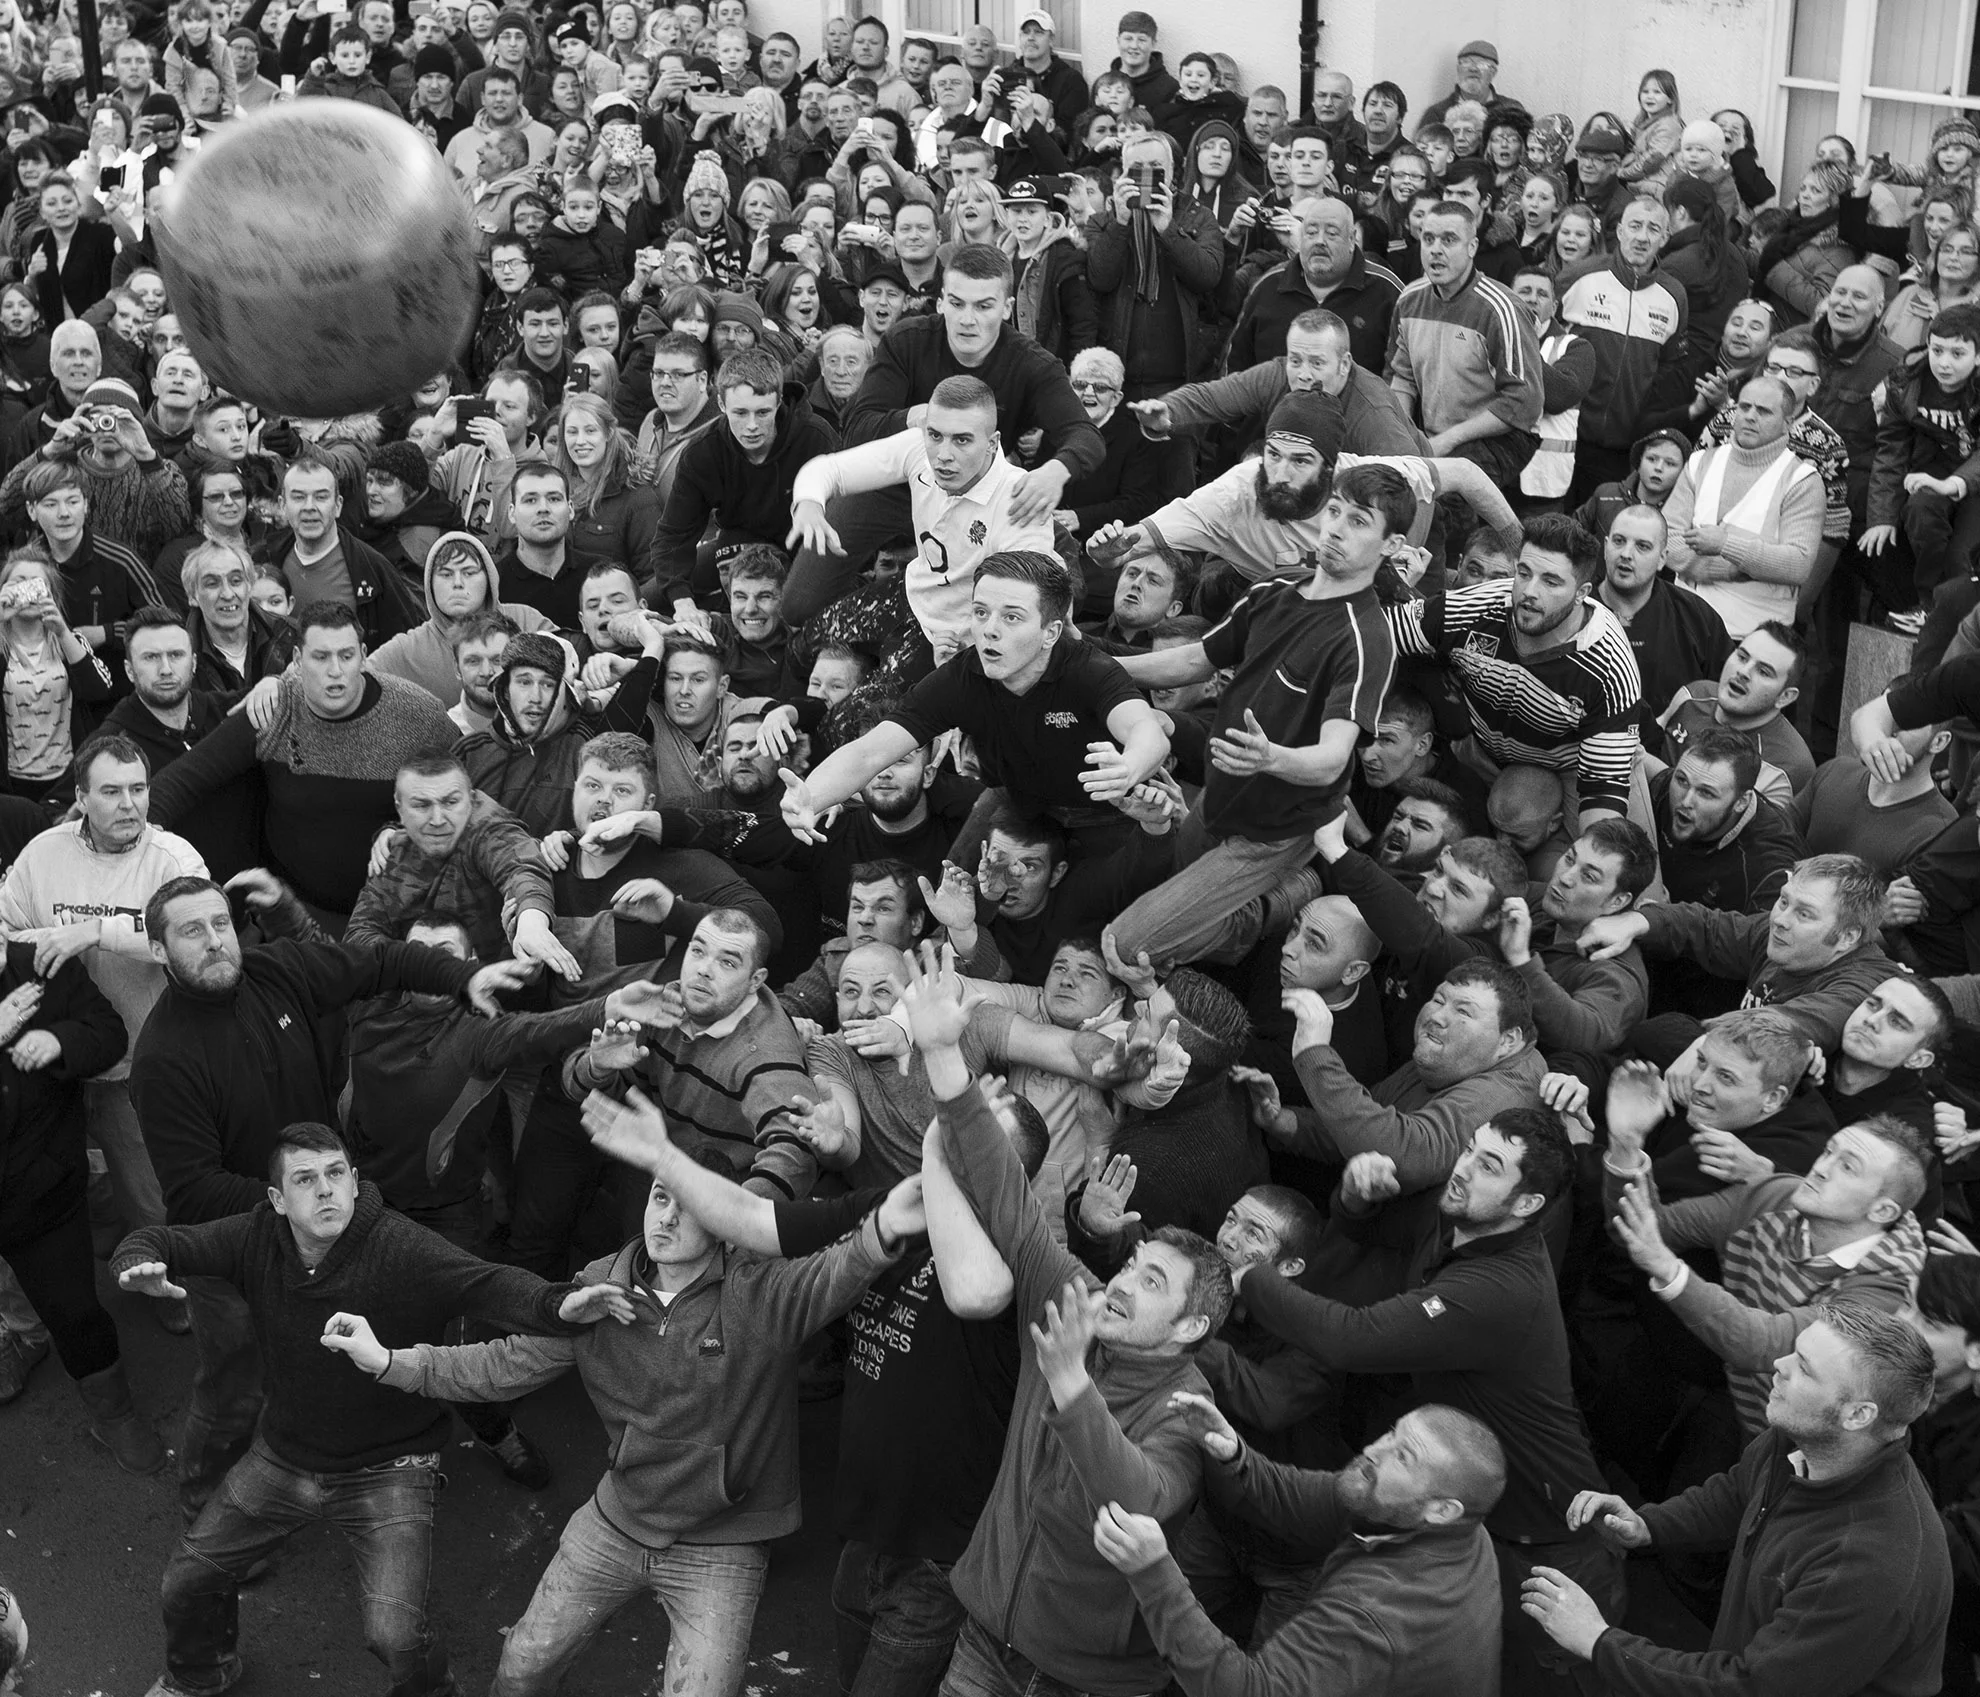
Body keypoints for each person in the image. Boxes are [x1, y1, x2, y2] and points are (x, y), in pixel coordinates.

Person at [112, 1120, 618, 1697]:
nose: (325, 1190)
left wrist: (559, 1305)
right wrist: (137, 1258)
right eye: (305, 1179)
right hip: (287, 1455)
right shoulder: (255, 1236)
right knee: (187, 1578)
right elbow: (167, 1241)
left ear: (355, 1181)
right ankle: (200, 1674)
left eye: (335, 1174)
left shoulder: (400, 1247)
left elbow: (490, 1285)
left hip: (391, 1467)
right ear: (277, 1200)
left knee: (395, 1634)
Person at [1235, 1106, 1620, 1692]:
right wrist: (1355, 1200)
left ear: (1526, 1205)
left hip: (1550, 1549)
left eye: (1488, 1164)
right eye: (1468, 1148)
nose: (1463, 1168)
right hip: (1472, 1523)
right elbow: (1378, 1229)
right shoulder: (1462, 1214)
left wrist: (1248, 1277)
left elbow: (1349, 1339)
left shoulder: (1499, 1289)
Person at [1522, 1306, 1951, 1697]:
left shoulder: (1866, 1566)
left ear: (1858, 1415)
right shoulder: (1802, 1440)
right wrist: (1649, 1525)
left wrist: (1597, 1641)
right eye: (1792, 1353)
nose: (1778, 1367)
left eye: (1804, 1368)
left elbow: (1749, 1686)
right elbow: (1738, 1491)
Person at [1097, 457, 1406, 967]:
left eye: (1359, 521)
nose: (1336, 529)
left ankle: (1278, 907)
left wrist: (1270, 757)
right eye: (1334, 511)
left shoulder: (1366, 638)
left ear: (1391, 545)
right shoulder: (1275, 586)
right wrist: (1100, 665)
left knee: (1128, 946)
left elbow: (1332, 760)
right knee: (1158, 899)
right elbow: (1198, 659)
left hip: (1276, 831)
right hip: (1219, 797)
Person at [781, 243, 1104, 626]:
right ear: (940, 303)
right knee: (798, 605)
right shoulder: (907, 340)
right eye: (957, 303)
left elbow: (1085, 434)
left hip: (978, 498)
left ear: (1007, 307)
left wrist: (1057, 470)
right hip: (892, 485)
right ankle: (870, 609)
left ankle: (1055, 644)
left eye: (984, 306)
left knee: (1057, 582)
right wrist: (914, 418)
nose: (968, 319)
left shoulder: (1032, 363)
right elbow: (858, 428)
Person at [1096, 1399, 1507, 1697]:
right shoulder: (1452, 1527)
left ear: (1443, 1509)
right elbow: (1310, 1498)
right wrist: (1235, 1454)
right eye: (1391, 1432)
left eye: (1403, 1456)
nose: (1373, 1450)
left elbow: (1248, 1691)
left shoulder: (1378, 1614)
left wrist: (1153, 1573)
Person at [147, 602, 459, 929]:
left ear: (364, 655)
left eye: (347, 656)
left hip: (398, 917)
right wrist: (139, 836)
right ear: (297, 660)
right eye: (321, 657)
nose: (335, 670)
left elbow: (472, 790)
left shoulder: (417, 713)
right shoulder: (275, 707)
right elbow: (185, 779)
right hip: (296, 915)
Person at [1387, 514, 1643, 823]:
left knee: (1605, 852)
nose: (1529, 591)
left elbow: (1603, 793)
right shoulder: (1475, 606)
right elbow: (1375, 636)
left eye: (1551, 581)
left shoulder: (1609, 665)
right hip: (1479, 749)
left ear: (1582, 593)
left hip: (1570, 770)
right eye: (1523, 573)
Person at [787, 375, 1055, 666]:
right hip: (912, 592)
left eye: (962, 440)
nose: (943, 455)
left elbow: (1027, 599)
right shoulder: (919, 448)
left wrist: (972, 648)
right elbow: (830, 470)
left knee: (865, 711)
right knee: (801, 648)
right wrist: (809, 504)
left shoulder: (1020, 499)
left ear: (992, 443)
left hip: (957, 636)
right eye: (935, 435)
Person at [1575, 853, 1893, 1047]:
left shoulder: (1865, 986)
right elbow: (1709, 928)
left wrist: (1700, 1042)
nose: (1781, 920)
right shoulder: (1778, 933)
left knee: (1661, 1035)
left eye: (1805, 914)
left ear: (1848, 937)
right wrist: (1637, 921)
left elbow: (1786, 1027)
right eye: (1783, 901)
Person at [647, 348, 838, 624]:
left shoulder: (814, 438)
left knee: (797, 609)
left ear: (779, 401)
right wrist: (683, 603)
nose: (751, 426)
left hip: (805, 547)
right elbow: (673, 537)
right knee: (651, 598)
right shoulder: (704, 452)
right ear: (721, 405)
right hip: (735, 544)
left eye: (762, 412)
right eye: (740, 412)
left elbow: (845, 516)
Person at [1388, 198, 1545, 489]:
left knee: (1446, 497)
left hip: (1502, 437)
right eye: (1429, 238)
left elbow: (1523, 403)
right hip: (1433, 434)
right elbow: (1401, 376)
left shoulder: (1501, 309)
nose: (1436, 249)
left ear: (1472, 248)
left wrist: (1447, 440)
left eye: (1449, 240)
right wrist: (1402, 434)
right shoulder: (1408, 300)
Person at [1663, 376, 1826, 638]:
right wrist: (1725, 570)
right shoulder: (1699, 462)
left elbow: (1798, 564)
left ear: (1788, 422)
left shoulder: (1803, 480)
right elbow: (1667, 539)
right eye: (1744, 407)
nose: (1750, 416)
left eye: (1763, 411)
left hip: (1753, 637)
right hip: (1683, 625)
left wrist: (1725, 544)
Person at [1557, 196, 1689, 500]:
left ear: (1665, 238)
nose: (1642, 237)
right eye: (1635, 226)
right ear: (1619, 231)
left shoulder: (1674, 295)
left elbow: (1669, 370)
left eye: (1653, 229)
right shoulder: (1577, 277)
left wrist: (1644, 425)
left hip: (1624, 447)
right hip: (1565, 436)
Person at [1225, 195, 1404, 377]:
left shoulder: (1386, 291)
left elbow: (1403, 376)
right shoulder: (1268, 286)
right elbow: (1234, 370)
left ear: (1352, 240)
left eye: (1332, 233)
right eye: (1311, 232)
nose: (1320, 241)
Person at [1595, 504, 1734, 737]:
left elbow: (1726, 697)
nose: (1626, 554)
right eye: (1619, 541)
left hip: (1673, 759)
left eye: (1642, 546)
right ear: (1606, 547)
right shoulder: (1575, 609)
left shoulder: (1695, 617)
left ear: (1662, 559)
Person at [1649, 730, 1803, 920]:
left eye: (1706, 793)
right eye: (1681, 780)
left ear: (1741, 802)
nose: (1685, 801)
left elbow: (1770, 942)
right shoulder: (1666, 788)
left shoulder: (1767, 867)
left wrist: (1671, 921)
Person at [1659, 622, 1815, 801]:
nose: (1743, 672)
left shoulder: (1789, 764)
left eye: (1763, 672)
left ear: (1785, 697)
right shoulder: (1693, 695)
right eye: (1742, 657)